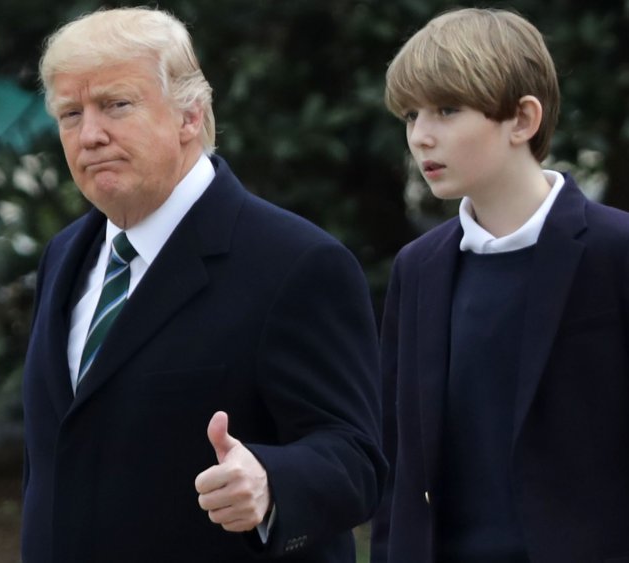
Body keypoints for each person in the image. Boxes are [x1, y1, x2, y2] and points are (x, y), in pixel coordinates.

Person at [21, 7, 385, 562]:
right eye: (70, 113)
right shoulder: (65, 254)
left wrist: (269, 484)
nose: (90, 134)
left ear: (190, 114)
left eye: (116, 105)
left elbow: (357, 460)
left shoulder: (297, 262)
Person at [371, 8, 629, 563]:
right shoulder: (418, 270)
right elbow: (401, 472)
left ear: (522, 119)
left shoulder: (625, 252)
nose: (421, 136)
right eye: (411, 115)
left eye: (447, 109)